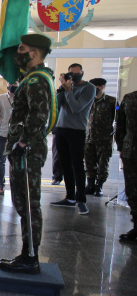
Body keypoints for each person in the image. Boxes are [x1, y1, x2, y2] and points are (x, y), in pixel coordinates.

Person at [0, 34, 56, 274]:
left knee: (29, 203)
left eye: (21, 49)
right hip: (26, 149)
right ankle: (27, 253)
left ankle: (30, 256)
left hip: (27, 151)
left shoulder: (36, 81)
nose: (17, 53)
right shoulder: (34, 78)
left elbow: (37, 117)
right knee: (24, 202)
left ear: (34, 53)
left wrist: (21, 145)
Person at [50, 63, 96, 214]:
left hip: (77, 130)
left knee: (77, 165)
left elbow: (77, 108)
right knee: (65, 165)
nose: (75, 76)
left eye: (78, 73)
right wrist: (62, 88)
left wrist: (69, 90)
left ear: (82, 73)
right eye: (72, 74)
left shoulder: (89, 88)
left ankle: (81, 199)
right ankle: (70, 197)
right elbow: (57, 104)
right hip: (61, 129)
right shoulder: (67, 87)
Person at [85, 78, 117, 197]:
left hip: (104, 139)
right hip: (89, 138)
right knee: (89, 163)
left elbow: (118, 120)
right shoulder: (88, 100)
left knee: (103, 165)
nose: (95, 89)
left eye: (98, 87)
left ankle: (99, 186)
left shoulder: (112, 101)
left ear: (102, 87)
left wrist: (114, 136)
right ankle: (90, 185)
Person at [116, 88, 137, 241]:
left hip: (130, 151)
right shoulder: (129, 99)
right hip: (130, 152)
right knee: (132, 192)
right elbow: (120, 126)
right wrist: (121, 147)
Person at [0, 83, 16, 195]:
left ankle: (15, 185)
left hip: (17, 134)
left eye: (15, 84)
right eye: (11, 84)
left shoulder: (22, 98)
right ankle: (1, 185)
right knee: (1, 160)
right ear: (7, 86)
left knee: (15, 161)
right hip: (3, 133)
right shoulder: (1, 98)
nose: (13, 86)